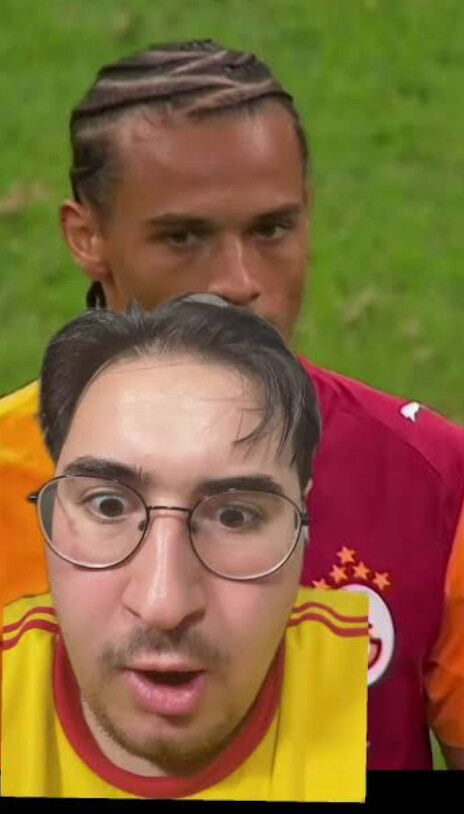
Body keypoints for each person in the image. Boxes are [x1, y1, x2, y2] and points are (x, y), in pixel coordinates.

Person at [0, 40, 463, 770]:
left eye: (272, 229)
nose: (240, 281)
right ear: (87, 237)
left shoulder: (429, 480)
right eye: (184, 237)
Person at [1, 297, 368, 800]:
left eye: (234, 517)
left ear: (301, 523)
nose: (163, 605)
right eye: (109, 506)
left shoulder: (383, 687)